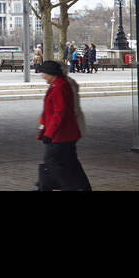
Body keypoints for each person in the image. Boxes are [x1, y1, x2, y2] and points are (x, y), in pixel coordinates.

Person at [35, 59, 91, 191]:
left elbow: (60, 113)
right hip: (64, 133)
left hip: (61, 135)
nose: (42, 76)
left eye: (44, 73)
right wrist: (43, 123)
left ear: (51, 73)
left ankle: (66, 186)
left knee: (52, 161)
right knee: (70, 162)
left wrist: (49, 134)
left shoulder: (61, 86)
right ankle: (81, 187)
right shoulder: (57, 84)